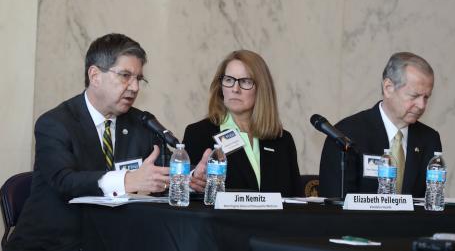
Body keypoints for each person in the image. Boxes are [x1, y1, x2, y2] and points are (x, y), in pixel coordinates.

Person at [5, 33, 170, 251]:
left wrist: (189, 178)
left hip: (113, 241)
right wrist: (127, 180)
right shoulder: (55, 123)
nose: (135, 87)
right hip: (52, 244)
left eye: (139, 79)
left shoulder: (141, 124)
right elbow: (65, 181)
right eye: (125, 76)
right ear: (95, 75)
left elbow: (160, 176)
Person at [319, 52, 442, 198]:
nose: (421, 105)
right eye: (414, 96)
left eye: (426, 97)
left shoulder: (429, 139)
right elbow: (333, 205)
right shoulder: (346, 134)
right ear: (388, 88)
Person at [184, 50, 300, 197]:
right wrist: (194, 182)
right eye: (229, 80)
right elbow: (187, 195)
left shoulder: (282, 140)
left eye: (245, 81)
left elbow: (296, 201)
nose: (235, 89)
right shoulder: (199, 133)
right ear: (220, 86)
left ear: (262, 89)